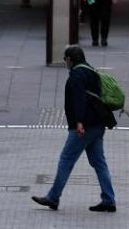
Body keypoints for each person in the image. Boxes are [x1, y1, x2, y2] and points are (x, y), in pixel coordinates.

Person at [32, 45, 116, 212]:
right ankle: (108, 199)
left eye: (65, 59)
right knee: (99, 163)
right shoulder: (91, 70)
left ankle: (53, 197)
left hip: (84, 126)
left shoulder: (77, 75)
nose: (65, 62)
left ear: (70, 59)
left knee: (66, 159)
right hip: (98, 124)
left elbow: (79, 99)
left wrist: (78, 122)